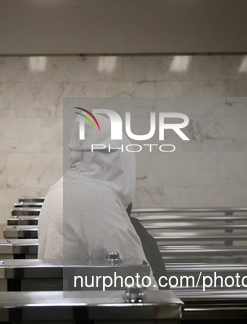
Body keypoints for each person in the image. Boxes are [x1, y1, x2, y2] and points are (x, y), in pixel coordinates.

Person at [38, 113, 165, 287]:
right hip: (90, 309)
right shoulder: (95, 201)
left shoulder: (61, 188)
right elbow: (139, 279)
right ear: (113, 158)